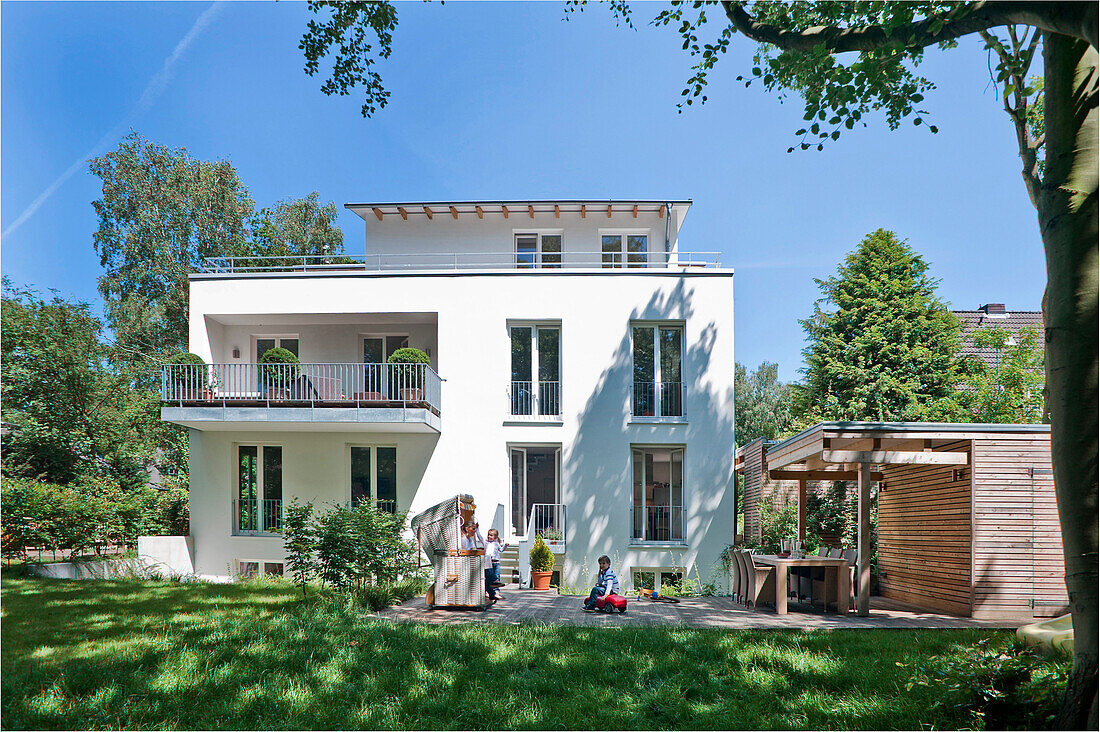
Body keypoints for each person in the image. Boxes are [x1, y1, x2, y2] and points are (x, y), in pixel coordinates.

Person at [483, 528, 506, 600]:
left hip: (496, 562)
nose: (489, 536)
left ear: (495, 537)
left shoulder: (496, 544)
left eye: (491, 535)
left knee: (496, 578)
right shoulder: (486, 543)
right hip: (488, 562)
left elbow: (501, 550)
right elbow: (480, 537)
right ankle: (487, 591)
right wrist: (477, 530)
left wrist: (505, 546)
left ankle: (496, 592)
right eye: (488, 535)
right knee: (489, 578)